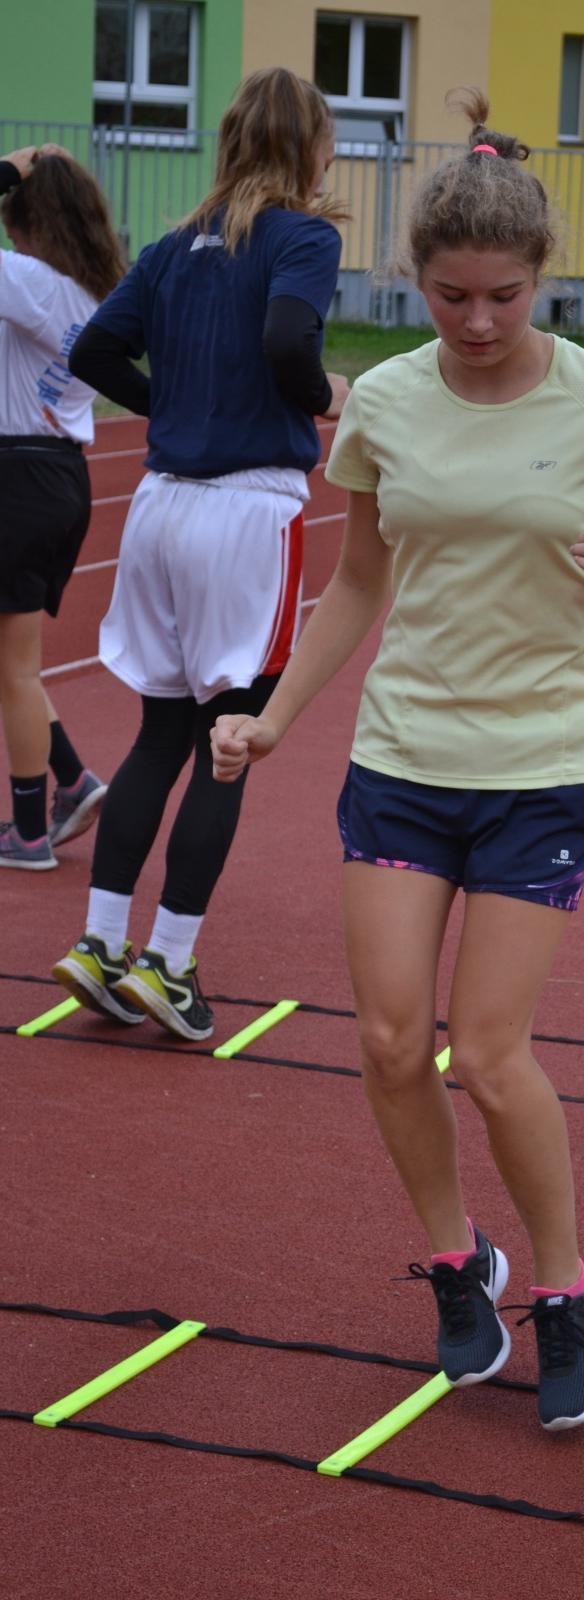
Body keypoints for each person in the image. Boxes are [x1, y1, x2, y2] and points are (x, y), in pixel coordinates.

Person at [211, 90, 584, 1430]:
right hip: (405, 752)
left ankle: (565, 1290)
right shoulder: (384, 402)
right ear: (413, 280)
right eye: (449, 297)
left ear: (541, 278)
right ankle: (453, 1260)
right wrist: (272, 716)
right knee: (384, 1040)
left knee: (484, 1053)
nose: (476, 322)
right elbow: (359, 581)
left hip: (549, 754)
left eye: (502, 297)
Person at [51, 67, 350, 1040]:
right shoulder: (303, 236)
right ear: (312, 148)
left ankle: (101, 944)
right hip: (245, 512)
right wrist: (321, 396)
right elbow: (289, 337)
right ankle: (170, 964)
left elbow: (93, 352)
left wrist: (170, 407)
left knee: (159, 734)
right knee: (232, 743)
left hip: (160, 506)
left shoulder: (173, 246)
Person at [0, 146, 125, 870]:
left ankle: (26, 831)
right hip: (58, 475)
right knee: (10, 660)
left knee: (16, 668)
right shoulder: (90, 290)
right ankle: (72, 780)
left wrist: (7, 168)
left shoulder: (32, 282)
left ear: (31, 221)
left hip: (19, 478)